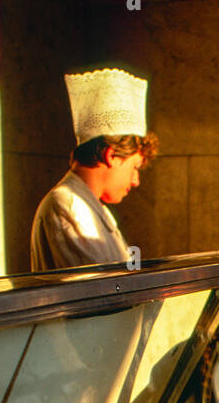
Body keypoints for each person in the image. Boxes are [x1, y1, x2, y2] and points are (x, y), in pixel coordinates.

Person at [30, 68, 158, 271]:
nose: (136, 181)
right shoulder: (68, 205)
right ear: (110, 156)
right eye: (134, 167)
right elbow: (107, 293)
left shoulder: (94, 208)